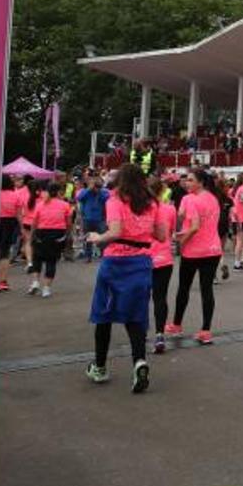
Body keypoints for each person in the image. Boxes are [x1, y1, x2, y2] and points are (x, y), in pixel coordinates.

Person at [85, 163, 163, 393]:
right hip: (141, 264)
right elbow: (161, 234)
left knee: (104, 314)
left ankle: (99, 367)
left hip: (115, 263)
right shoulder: (152, 204)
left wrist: (98, 237)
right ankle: (139, 362)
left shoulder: (115, 201)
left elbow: (116, 232)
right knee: (136, 316)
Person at [169, 168, 222, 345]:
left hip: (193, 250)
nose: (186, 183)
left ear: (200, 182)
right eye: (186, 180)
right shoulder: (213, 198)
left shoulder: (190, 200)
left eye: (191, 180)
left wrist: (180, 239)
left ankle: (177, 324)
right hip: (213, 249)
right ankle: (206, 330)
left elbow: (193, 226)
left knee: (184, 287)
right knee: (206, 289)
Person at [27, 182, 71, 297]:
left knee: (37, 259)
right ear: (58, 192)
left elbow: (34, 223)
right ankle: (46, 288)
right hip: (58, 234)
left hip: (41, 233)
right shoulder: (65, 205)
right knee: (51, 261)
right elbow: (69, 222)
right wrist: (68, 233)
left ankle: (35, 282)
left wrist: (31, 235)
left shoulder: (40, 204)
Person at [150, 181, 178, 354]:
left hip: (142, 258)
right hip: (163, 257)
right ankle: (159, 334)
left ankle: (139, 333)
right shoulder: (170, 209)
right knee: (160, 297)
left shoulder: (140, 209)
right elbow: (172, 232)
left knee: (140, 297)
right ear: (162, 191)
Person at [0, 175, 24, 293]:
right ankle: (3, 281)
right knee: (5, 252)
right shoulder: (15, 195)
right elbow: (19, 214)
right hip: (10, 223)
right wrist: (22, 228)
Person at [76, 174, 110, 263]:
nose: (97, 188)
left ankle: (104, 254)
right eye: (96, 186)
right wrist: (89, 189)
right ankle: (88, 256)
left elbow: (108, 199)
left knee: (103, 238)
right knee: (88, 239)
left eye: (99, 186)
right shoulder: (85, 191)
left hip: (101, 219)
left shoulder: (104, 192)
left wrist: (100, 191)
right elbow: (79, 198)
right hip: (87, 218)